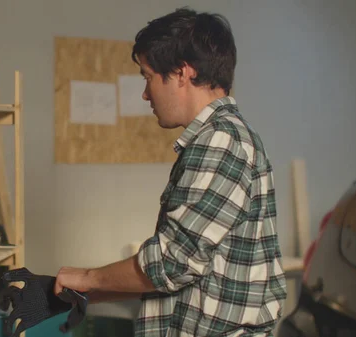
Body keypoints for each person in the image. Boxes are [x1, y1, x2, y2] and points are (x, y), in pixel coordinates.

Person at [54, 7, 288, 336]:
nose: (146, 93)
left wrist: (88, 277)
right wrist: (86, 292)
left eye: (148, 77)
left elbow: (174, 262)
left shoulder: (220, 141)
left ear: (181, 73)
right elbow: (187, 272)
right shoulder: (219, 138)